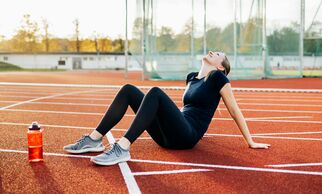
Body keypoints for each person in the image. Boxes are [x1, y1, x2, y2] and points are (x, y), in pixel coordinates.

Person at [63, 51, 271, 166]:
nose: (213, 51)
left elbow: (234, 110)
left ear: (220, 67)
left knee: (154, 92)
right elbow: (190, 107)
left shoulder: (218, 77)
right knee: (128, 90)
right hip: (169, 136)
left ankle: (122, 149)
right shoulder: (191, 77)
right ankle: (94, 139)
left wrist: (250, 141)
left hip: (186, 137)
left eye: (218, 54)